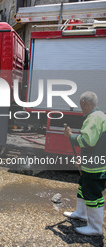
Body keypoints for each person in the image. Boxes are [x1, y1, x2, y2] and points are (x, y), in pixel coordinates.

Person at [63, 91, 106, 236]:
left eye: (81, 105)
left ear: (84, 103)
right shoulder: (100, 116)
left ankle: (95, 227)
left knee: (93, 194)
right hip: (93, 162)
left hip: (95, 167)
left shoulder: (94, 119)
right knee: (83, 187)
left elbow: (88, 141)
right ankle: (81, 213)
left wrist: (71, 136)